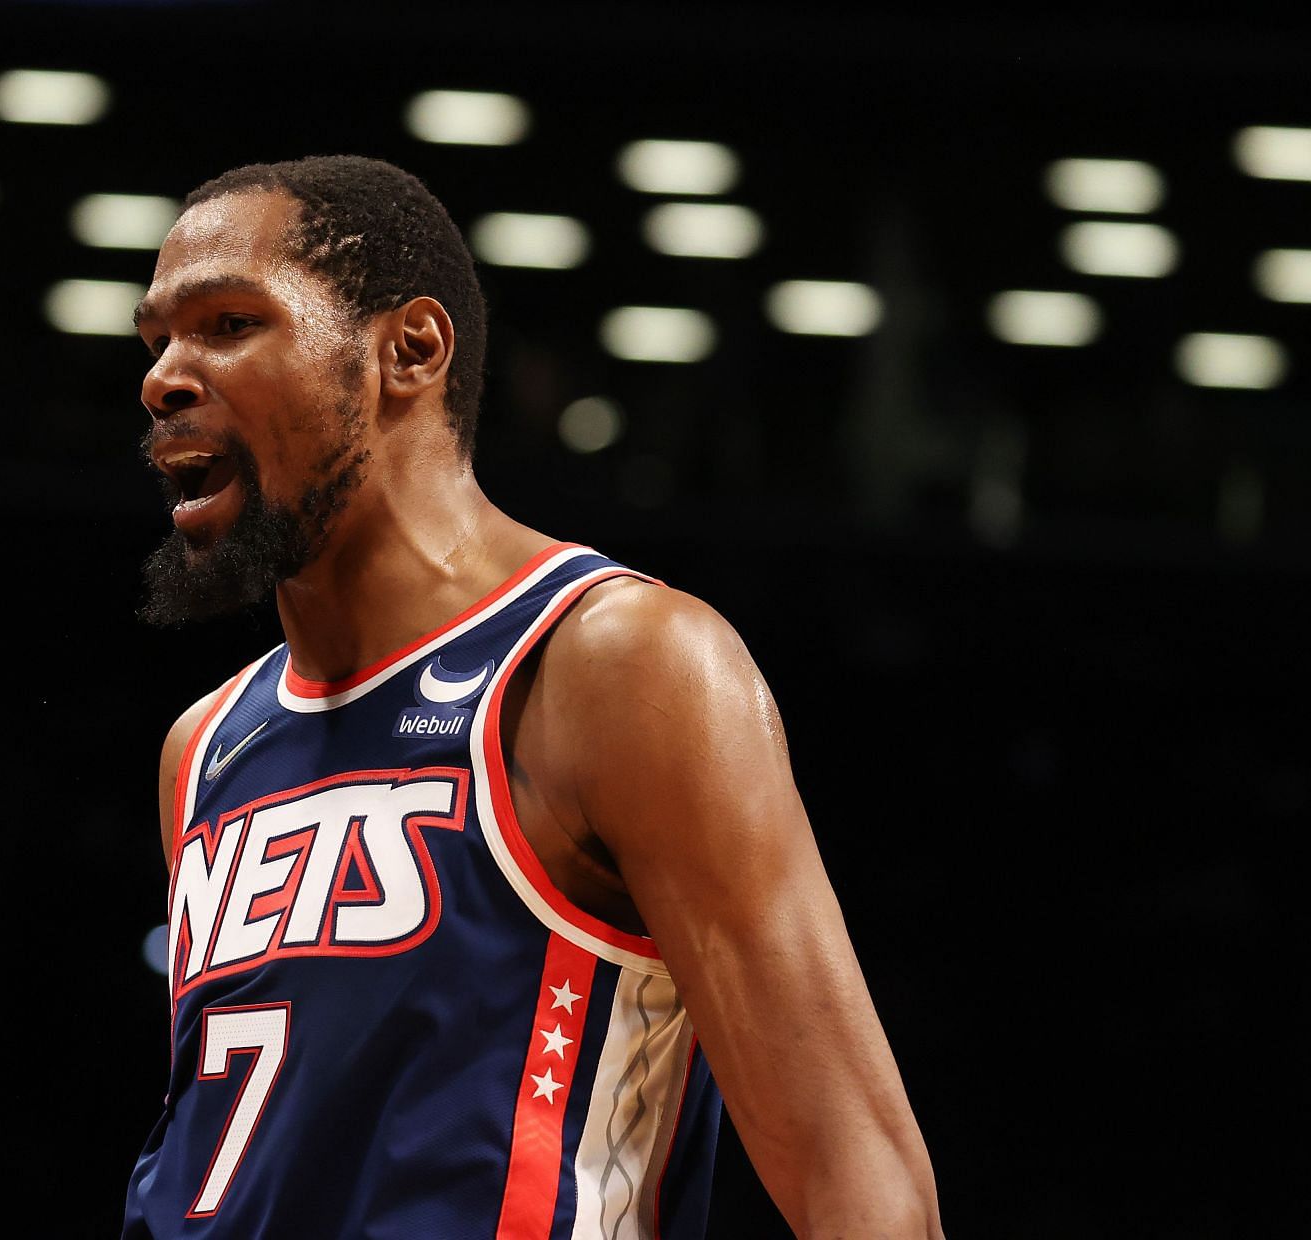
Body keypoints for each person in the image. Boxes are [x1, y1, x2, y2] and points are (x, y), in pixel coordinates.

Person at [121, 155, 941, 1239]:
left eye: (230, 323)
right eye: (157, 340)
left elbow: (857, 1167)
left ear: (409, 350)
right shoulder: (208, 746)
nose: (164, 377)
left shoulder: (616, 664)